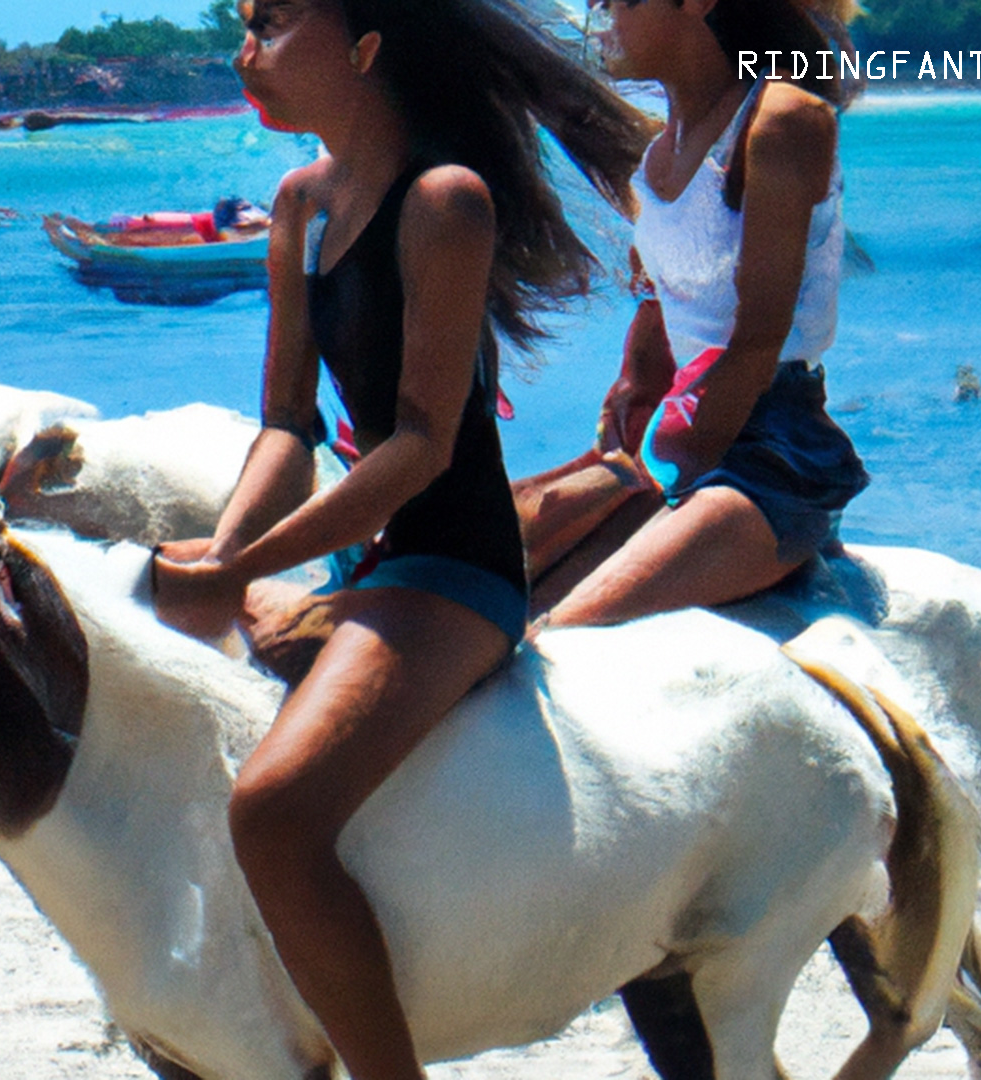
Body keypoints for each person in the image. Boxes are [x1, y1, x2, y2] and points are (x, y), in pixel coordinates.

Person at [148, 2, 649, 1077]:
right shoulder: (300, 204)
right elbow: (285, 427)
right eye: (244, 26)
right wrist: (222, 551)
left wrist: (241, 567)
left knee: (273, 814)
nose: (245, 52)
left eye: (274, 25)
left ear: (367, 47)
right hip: (364, 562)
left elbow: (423, 447)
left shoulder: (444, 200)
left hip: (457, 566)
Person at [532, 0, 869, 628]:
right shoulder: (660, 155)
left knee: (571, 626)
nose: (598, 12)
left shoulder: (781, 121)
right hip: (686, 433)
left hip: (773, 456)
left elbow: (758, 341)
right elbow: (669, 314)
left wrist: (664, 475)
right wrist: (627, 411)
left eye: (619, 0)